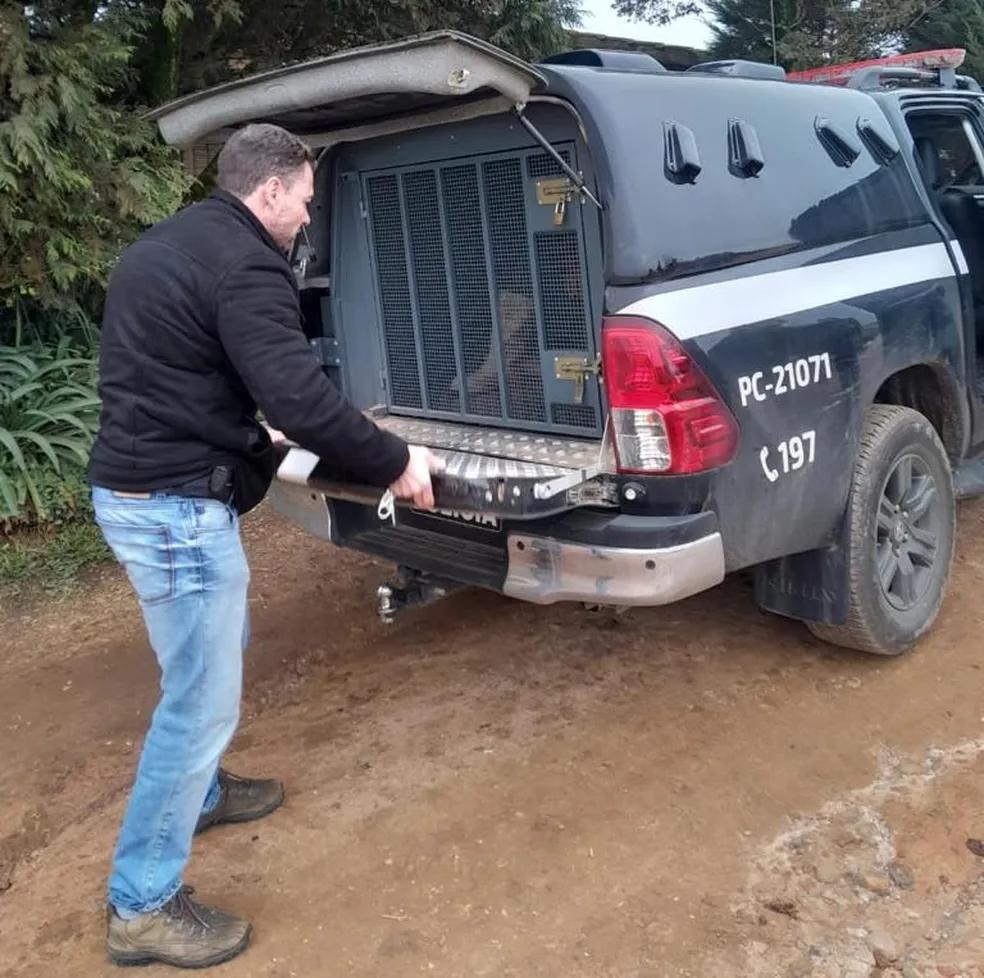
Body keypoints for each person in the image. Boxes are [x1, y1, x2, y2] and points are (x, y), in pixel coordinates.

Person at [88, 123, 440, 969]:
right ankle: (141, 905)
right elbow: (301, 393)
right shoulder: (245, 262)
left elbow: (180, 371)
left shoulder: (171, 242)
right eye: (307, 203)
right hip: (173, 508)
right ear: (271, 190)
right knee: (200, 699)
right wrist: (395, 461)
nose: (305, 222)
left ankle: (200, 792)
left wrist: (255, 431)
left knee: (208, 656)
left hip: (137, 490)